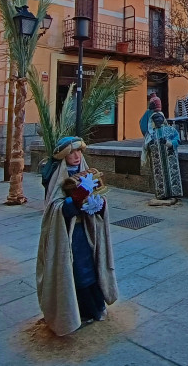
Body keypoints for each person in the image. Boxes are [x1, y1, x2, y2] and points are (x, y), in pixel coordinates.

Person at [37, 136, 118, 336]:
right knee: (78, 271)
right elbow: (55, 208)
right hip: (69, 235)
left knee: (92, 266)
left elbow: (100, 195)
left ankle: (97, 307)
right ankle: (79, 312)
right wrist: (75, 200)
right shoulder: (58, 176)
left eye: (79, 151)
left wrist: (99, 205)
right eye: (72, 152)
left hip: (88, 230)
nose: (76, 156)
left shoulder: (87, 170)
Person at [141, 111, 183, 201]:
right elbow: (145, 147)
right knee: (159, 178)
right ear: (152, 120)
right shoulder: (150, 134)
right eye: (155, 118)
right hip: (157, 161)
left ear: (163, 119)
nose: (157, 120)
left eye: (159, 117)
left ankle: (174, 193)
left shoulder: (171, 130)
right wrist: (150, 144)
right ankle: (161, 194)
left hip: (170, 159)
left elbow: (177, 140)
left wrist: (169, 143)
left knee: (172, 176)